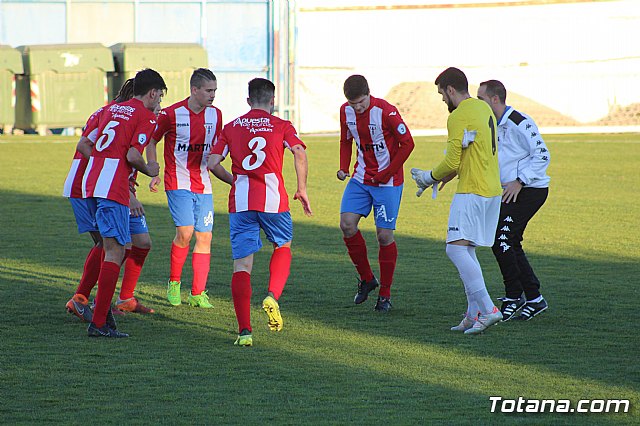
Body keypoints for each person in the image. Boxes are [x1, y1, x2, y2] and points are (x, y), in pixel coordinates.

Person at [208, 77, 312, 347]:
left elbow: (211, 162)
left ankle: (244, 332)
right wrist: (302, 188)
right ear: (273, 101)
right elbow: (299, 153)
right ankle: (272, 295)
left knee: (242, 265)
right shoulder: (281, 125)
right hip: (274, 201)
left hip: (241, 202)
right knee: (283, 245)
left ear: (248, 100)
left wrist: (234, 180)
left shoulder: (231, 127)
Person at [411, 67, 502, 335]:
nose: (442, 101)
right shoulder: (483, 109)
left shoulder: (459, 115)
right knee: (468, 250)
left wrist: (428, 177)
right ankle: (473, 314)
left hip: (473, 191)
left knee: (455, 249)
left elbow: (452, 159)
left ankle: (488, 309)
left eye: (442, 94)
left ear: (451, 90)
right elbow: (470, 154)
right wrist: (447, 177)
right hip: (490, 189)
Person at [81, 68, 165, 337]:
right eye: (160, 96)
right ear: (152, 93)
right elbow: (131, 154)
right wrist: (150, 169)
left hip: (92, 183)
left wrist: (104, 161)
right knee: (115, 251)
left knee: (112, 248)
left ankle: (102, 317)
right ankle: (99, 322)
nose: (159, 101)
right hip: (114, 187)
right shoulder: (146, 116)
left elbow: (85, 143)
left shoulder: (110, 110)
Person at [63, 79, 155, 321]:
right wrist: (127, 187)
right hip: (90, 188)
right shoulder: (116, 114)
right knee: (110, 246)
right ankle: (84, 300)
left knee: (140, 243)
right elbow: (90, 149)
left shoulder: (116, 114)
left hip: (111, 188)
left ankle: (121, 299)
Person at [336, 75, 415, 312]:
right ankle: (367, 279)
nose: (357, 107)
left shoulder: (386, 111)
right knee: (347, 225)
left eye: (361, 102)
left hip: (387, 182)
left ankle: (385, 294)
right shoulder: (345, 111)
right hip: (360, 179)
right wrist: (343, 167)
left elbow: (408, 143)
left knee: (384, 236)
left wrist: (386, 173)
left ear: (369, 94)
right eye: (353, 104)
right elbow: (345, 140)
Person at [148, 68, 223, 309]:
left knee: (205, 236)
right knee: (186, 233)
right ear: (194, 89)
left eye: (215, 91)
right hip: (177, 180)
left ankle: (198, 293)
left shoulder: (216, 115)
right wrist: (154, 169)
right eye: (208, 91)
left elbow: (219, 149)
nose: (213, 95)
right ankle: (174, 284)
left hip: (203, 183)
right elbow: (151, 140)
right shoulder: (172, 114)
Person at [477, 79, 550, 321]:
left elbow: (542, 154)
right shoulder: (491, 124)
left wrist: (520, 180)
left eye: (482, 99)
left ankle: (515, 295)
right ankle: (533, 297)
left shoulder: (519, 121)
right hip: (510, 190)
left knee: (503, 239)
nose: (479, 103)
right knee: (505, 240)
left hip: (530, 189)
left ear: (495, 99)